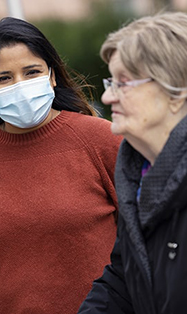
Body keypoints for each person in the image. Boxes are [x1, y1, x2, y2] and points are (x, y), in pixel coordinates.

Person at [0, 17, 122, 314]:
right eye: (4, 78)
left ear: (52, 76)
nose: (21, 85)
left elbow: (140, 242)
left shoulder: (101, 140)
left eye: (32, 72)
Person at [77, 11, 187, 314]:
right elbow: (123, 279)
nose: (107, 96)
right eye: (110, 81)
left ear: (176, 90)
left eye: (123, 83)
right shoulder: (136, 175)